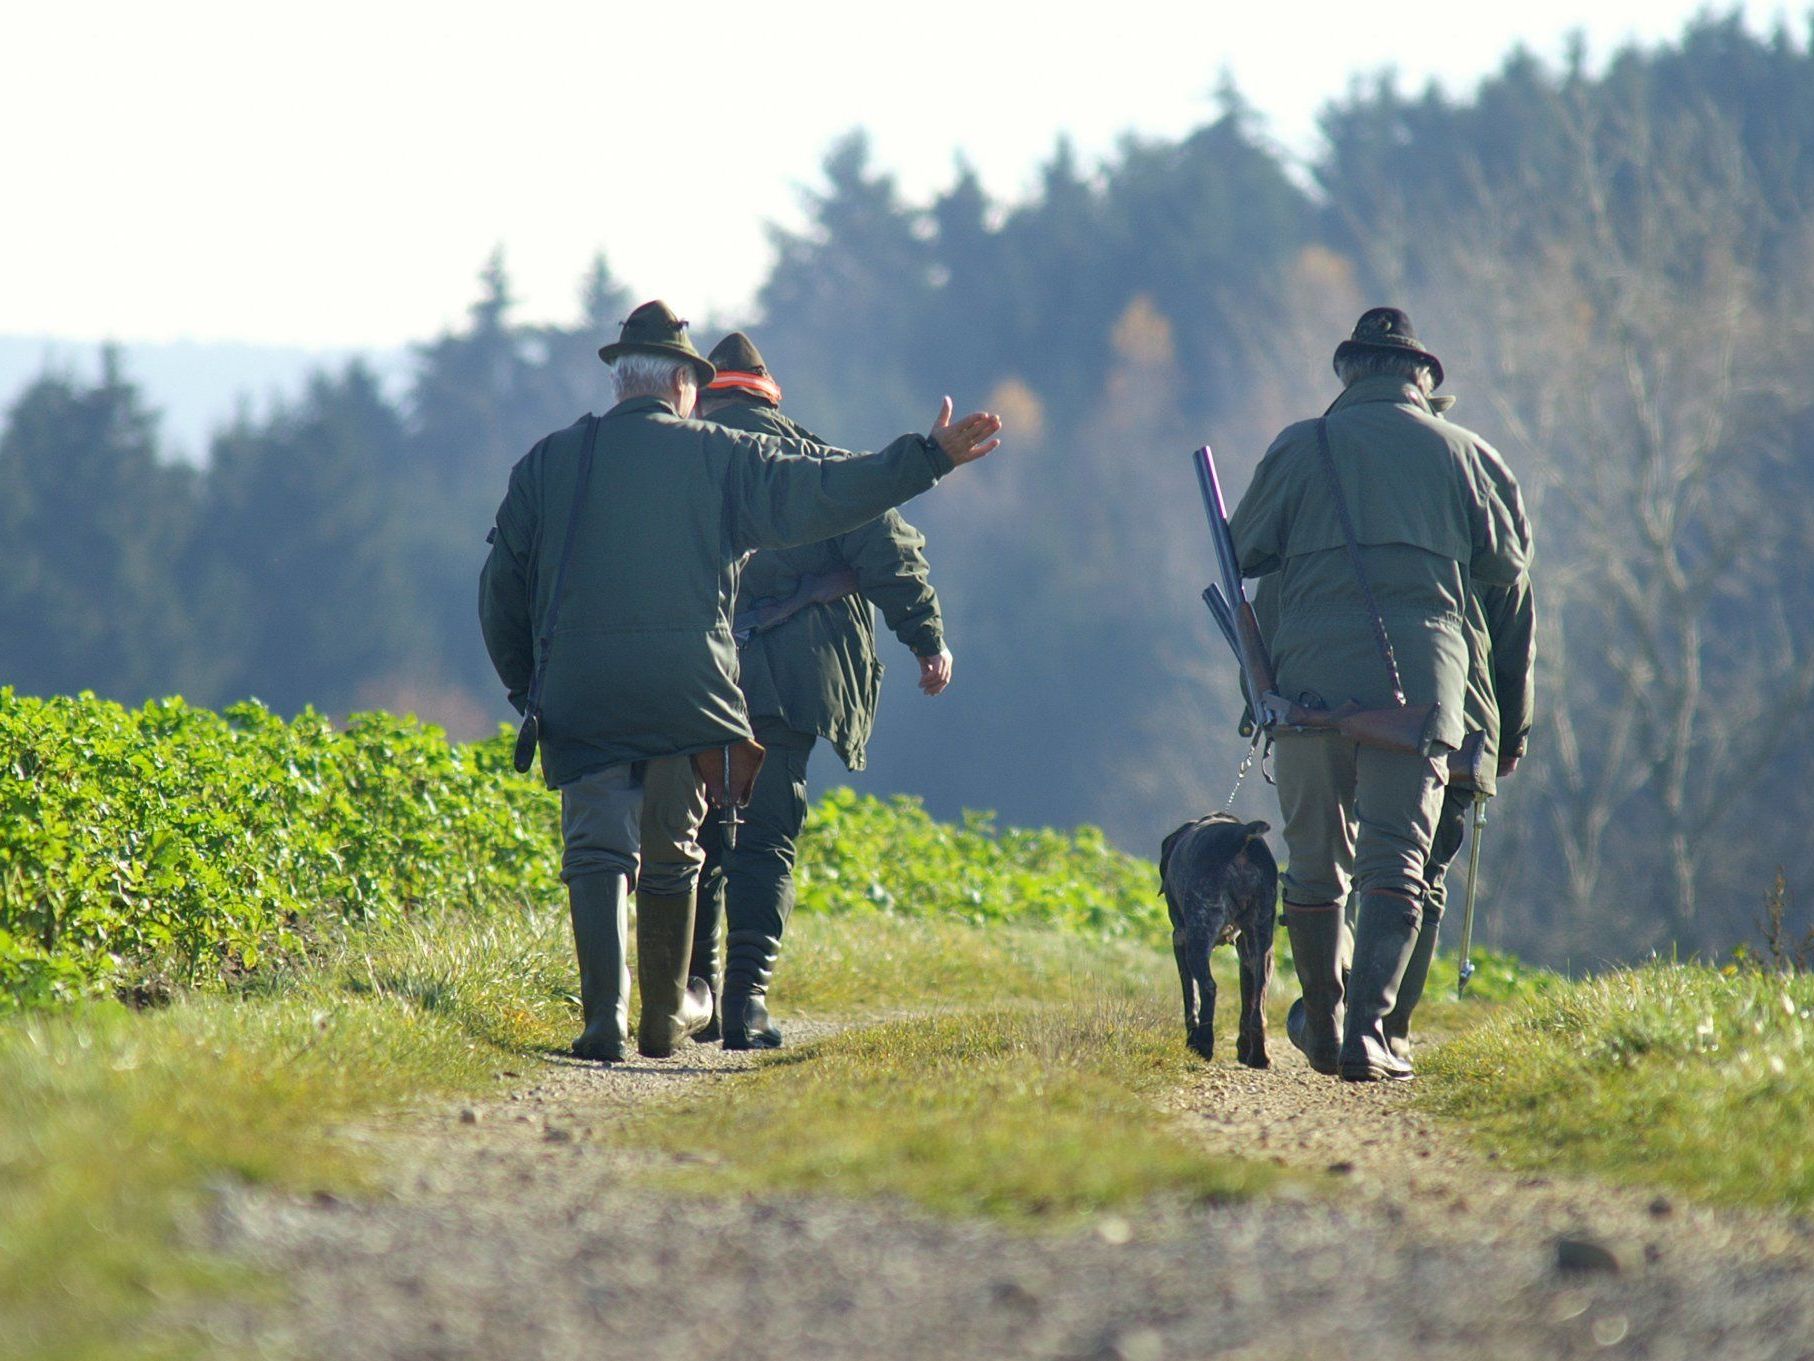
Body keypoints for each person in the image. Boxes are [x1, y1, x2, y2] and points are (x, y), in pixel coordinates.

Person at [479, 302, 1001, 1062]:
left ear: (623, 379)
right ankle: (664, 1017)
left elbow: (500, 588)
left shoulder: (549, 462)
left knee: (597, 849)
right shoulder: (719, 458)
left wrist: (528, 688)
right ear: (686, 385)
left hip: (579, 690)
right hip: (689, 693)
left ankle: (603, 1020)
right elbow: (831, 493)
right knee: (675, 850)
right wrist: (929, 456)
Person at [1229, 307, 1529, 1082]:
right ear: (1424, 378)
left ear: (1348, 373)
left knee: (1313, 864)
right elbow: (1507, 567)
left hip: (1306, 686)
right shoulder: (1470, 454)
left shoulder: (1301, 445)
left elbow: (1243, 552)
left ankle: (1322, 1020)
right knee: (1397, 860)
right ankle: (1371, 1032)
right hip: (1422, 686)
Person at [686, 332, 953, 1049]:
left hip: (691, 679)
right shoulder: (811, 460)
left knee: (697, 834)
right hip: (788, 683)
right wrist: (927, 640)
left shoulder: (677, 463)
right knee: (765, 838)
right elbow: (889, 549)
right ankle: (745, 1003)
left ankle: (696, 993)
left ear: (706, 392)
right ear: (768, 392)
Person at [1381, 394, 1536, 1060]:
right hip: (1463, 714)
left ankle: (1350, 1008)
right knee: (1427, 870)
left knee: (1365, 857)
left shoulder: (1362, 495)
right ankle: (1389, 1022)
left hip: (1359, 701)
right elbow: (1515, 630)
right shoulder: (1479, 501)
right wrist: (1513, 734)